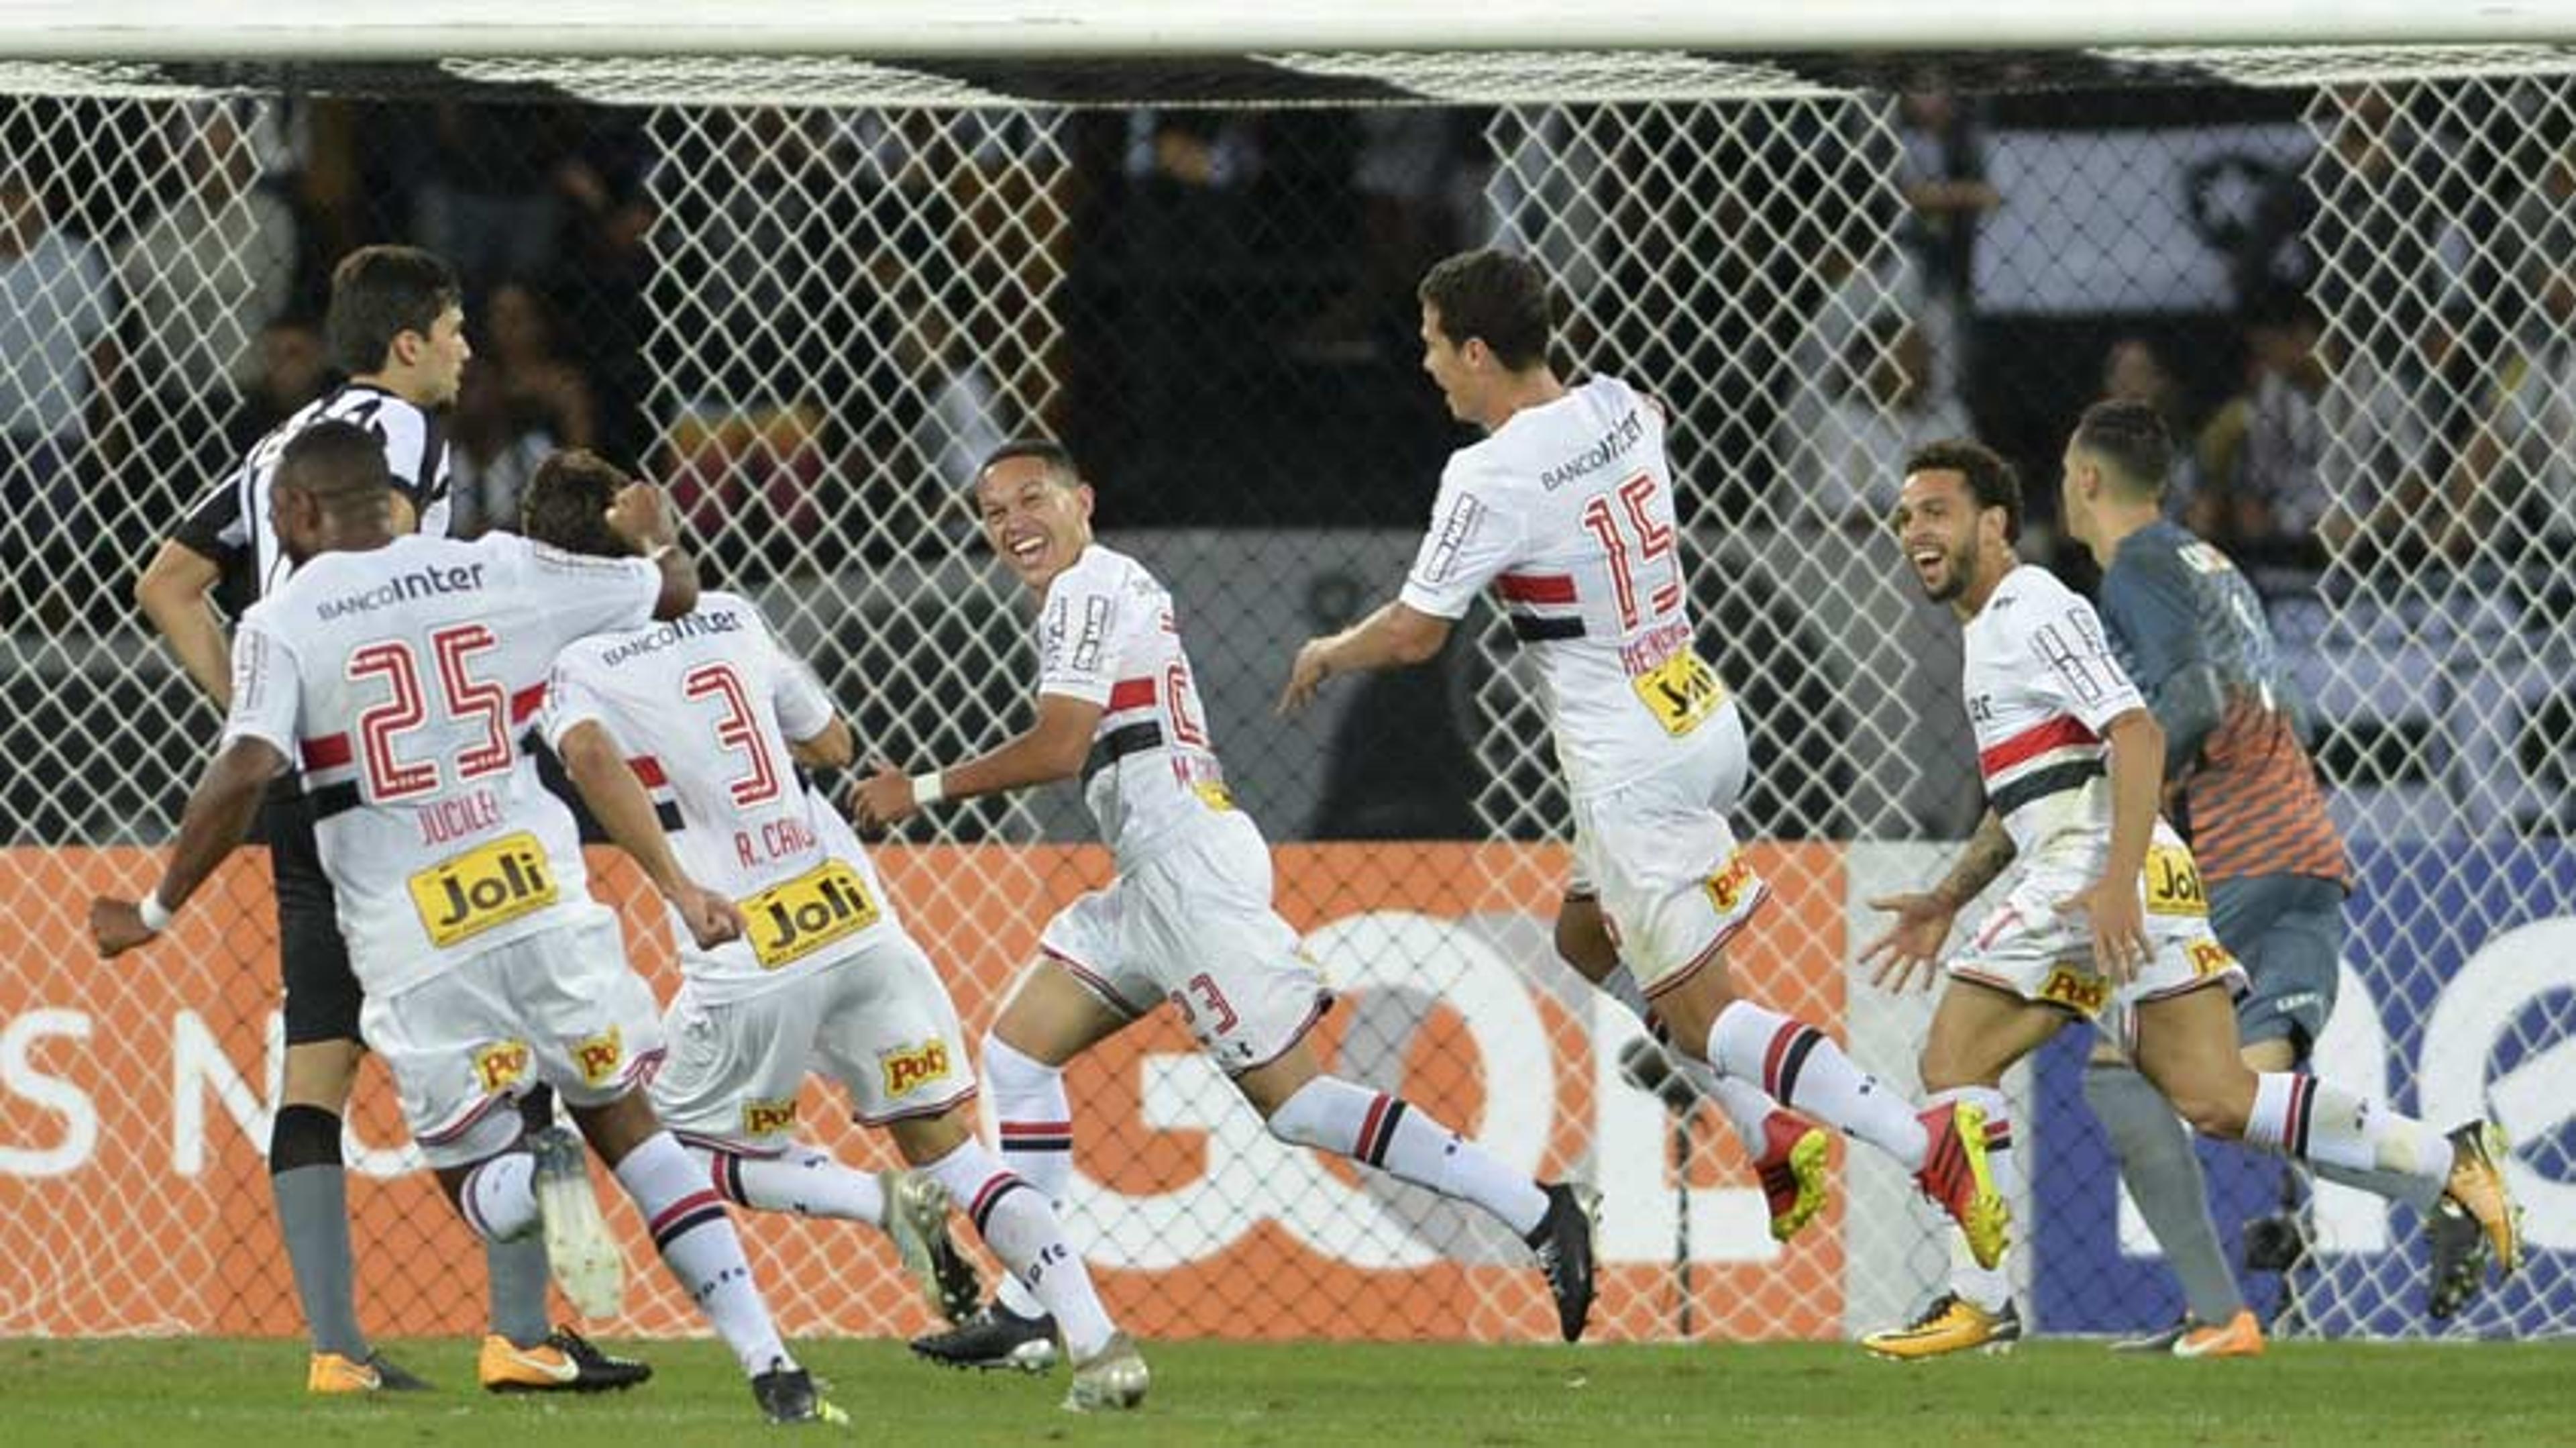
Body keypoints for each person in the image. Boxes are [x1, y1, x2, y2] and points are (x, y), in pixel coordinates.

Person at [93, 425, 842, 1425]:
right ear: (392, 502)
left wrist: (154, 907)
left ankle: (536, 1192)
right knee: (630, 1122)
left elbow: (246, 767)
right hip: (539, 893)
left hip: (415, 930)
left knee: (473, 1160)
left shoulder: (282, 619)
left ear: (301, 512)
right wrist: (658, 536)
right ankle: (772, 1363)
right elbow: (670, 595)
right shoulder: (497, 568)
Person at [1277, 248, 2006, 1263]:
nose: (1429, 364)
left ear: (1479, 351)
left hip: (1628, 758)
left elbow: (1416, 633)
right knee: (1587, 936)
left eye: (1436, 345)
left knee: (1710, 1017)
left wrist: (1329, 647)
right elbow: (1654, 415)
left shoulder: (1487, 474)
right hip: (1699, 712)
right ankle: (1769, 1128)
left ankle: (1922, 1140)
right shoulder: (1620, 405)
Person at [855, 437, 1601, 1365]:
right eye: (991, 511)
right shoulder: (1098, 591)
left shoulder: (1089, 588)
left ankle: (1538, 1209)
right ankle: (1033, 1302)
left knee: (1294, 1104)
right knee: (1017, 1052)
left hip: (1186, 870)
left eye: (1030, 498)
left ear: (1082, 498)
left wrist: (916, 791)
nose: (1012, 523)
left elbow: (1058, 746)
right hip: (1152, 872)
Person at [1857, 437, 2522, 1359]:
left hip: (2096, 872)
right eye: (1902, 517)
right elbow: (2046, 785)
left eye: (1934, 511)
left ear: (1995, 523)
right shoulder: (1991, 632)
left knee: (1951, 1058)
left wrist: (2116, 881)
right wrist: (1946, 896)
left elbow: (2134, 733)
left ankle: (1981, 1299)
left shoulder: (2031, 605)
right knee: (2218, 1095)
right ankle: (2448, 1162)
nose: (1913, 532)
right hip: (2128, 865)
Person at [521, 452, 1149, 1413]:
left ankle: (875, 1206)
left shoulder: (571, 663)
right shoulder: (730, 612)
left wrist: (678, 881)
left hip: (744, 942)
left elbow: (593, 755)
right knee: (951, 1145)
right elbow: (834, 743)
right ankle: (1101, 1343)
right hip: (854, 913)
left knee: (667, 1150)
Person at [131, 244, 643, 1396]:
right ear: (407, 343)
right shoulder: (397, 435)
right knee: (516, 1036)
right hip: (410, 795)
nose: (470, 350)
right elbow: (395, 595)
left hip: (307, 795)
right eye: (456, 329)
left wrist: (278, 714)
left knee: (317, 1063)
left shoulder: (284, 443)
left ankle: (334, 1351)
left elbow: (165, 580)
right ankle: (521, 1333)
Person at [2060, 400, 2496, 1348]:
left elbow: (2194, 697)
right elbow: (2283, 699)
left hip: (2238, 854)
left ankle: (2236, 1301)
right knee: (2236, 1097)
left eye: (2065, 475)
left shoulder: (2137, 568)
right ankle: (2433, 1180)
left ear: (2087, 480)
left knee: (2120, 1067)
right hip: (2300, 848)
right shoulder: (2209, 564)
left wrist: (2127, 796)